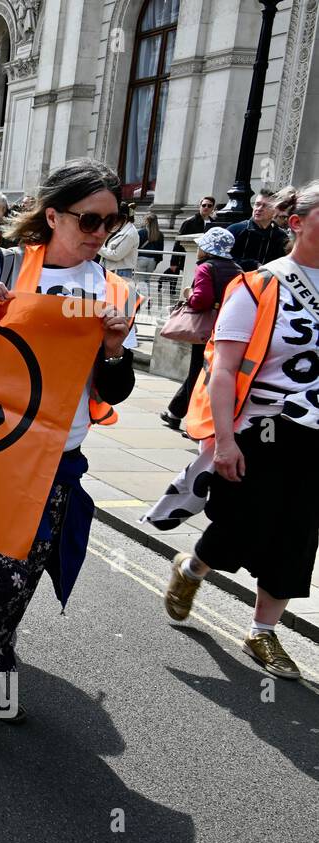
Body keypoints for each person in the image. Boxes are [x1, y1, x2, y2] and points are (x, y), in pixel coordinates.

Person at [0, 158, 138, 745]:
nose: (100, 233)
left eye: (112, 221)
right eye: (88, 220)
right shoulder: (0, 269)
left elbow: (116, 390)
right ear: (52, 215)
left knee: (18, 576)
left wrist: (112, 350)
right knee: (3, 572)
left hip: (59, 455)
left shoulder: (112, 289)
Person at [157, 180, 319, 682]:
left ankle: (262, 631)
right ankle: (193, 569)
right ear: (297, 224)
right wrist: (223, 439)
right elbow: (222, 369)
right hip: (264, 430)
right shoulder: (259, 286)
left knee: (297, 536)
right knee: (241, 525)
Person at [159, 228, 241, 431]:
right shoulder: (238, 269)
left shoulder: (206, 268)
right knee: (206, 371)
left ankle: (194, 423)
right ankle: (175, 412)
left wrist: (189, 294)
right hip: (230, 327)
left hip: (206, 329)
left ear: (207, 248)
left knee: (199, 373)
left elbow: (201, 300)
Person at [228, 191, 289, 271]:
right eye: (257, 204)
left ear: (275, 211)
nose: (259, 209)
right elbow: (220, 258)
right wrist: (252, 264)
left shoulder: (280, 236)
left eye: (265, 206)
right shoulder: (235, 230)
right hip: (235, 280)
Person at [171, 195, 218, 272]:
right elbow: (178, 243)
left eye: (209, 206)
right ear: (200, 206)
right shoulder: (189, 222)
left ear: (212, 208)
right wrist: (174, 262)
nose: (206, 207)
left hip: (208, 260)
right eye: (204, 205)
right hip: (191, 257)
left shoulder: (214, 223)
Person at [97, 202, 139, 277]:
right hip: (110, 270)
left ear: (124, 217)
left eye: (115, 219)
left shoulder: (130, 234)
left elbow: (116, 255)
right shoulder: (119, 228)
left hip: (120, 272)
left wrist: (97, 247)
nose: (113, 221)